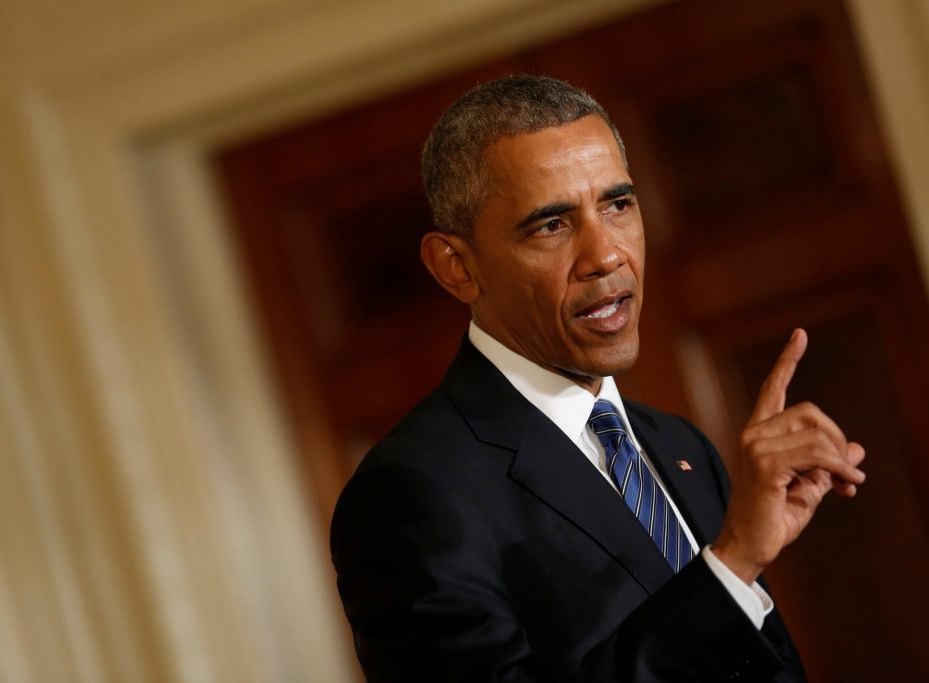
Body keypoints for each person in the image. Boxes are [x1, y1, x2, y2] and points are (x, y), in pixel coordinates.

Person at [330, 75, 865, 682]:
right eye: (551, 225)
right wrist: (733, 562)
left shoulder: (678, 445)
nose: (606, 254)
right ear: (457, 268)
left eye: (617, 204)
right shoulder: (411, 495)